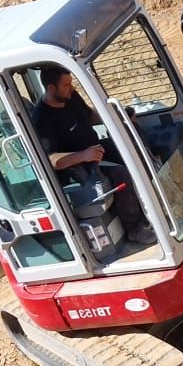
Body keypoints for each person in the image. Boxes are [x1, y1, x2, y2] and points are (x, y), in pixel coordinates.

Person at [31, 65, 155, 246]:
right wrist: (84, 155)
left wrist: (120, 119)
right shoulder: (42, 119)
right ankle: (134, 229)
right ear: (51, 88)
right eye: (66, 85)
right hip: (78, 167)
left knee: (130, 140)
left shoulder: (70, 97)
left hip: (94, 149)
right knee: (120, 173)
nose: (71, 88)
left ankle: (156, 196)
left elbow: (91, 116)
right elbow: (51, 160)